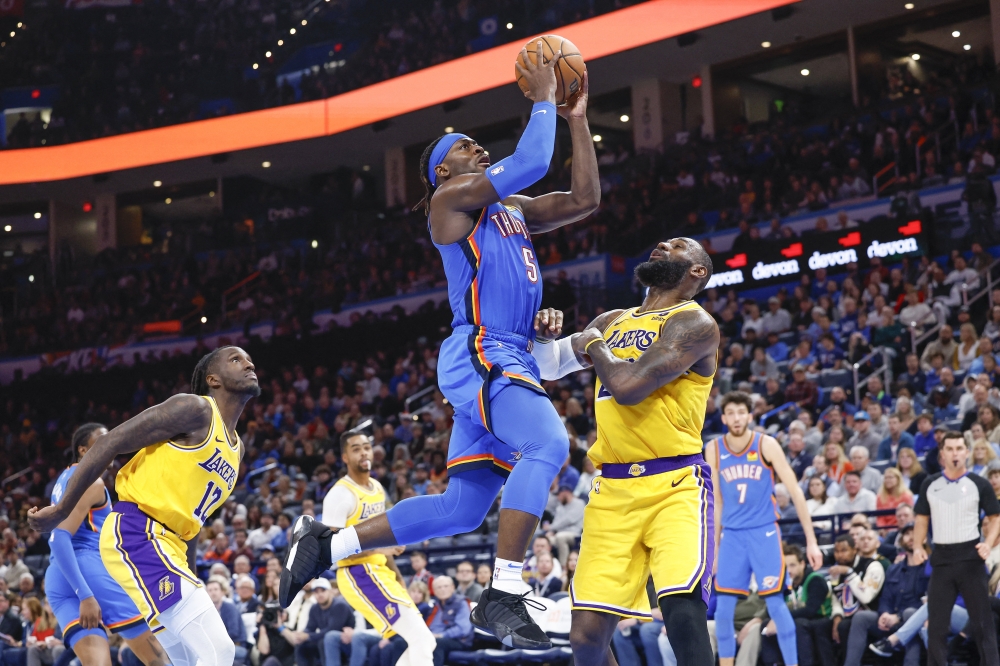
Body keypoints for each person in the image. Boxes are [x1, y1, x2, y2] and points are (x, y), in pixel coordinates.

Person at [281, 46, 600, 651]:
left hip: (510, 351)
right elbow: (533, 159)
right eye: (464, 147)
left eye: (477, 143)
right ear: (443, 174)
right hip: (481, 351)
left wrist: (577, 119)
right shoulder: (449, 205)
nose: (478, 148)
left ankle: (328, 543)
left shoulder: (511, 210)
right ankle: (504, 591)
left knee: (462, 509)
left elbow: (584, 201)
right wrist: (541, 99)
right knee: (550, 442)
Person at [529, 238, 719, 666]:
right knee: (585, 637)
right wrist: (543, 337)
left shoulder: (694, 323)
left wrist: (595, 344)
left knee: (682, 614)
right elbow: (548, 366)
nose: (662, 243)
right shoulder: (612, 319)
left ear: (697, 271)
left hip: (674, 484)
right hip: (613, 489)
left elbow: (629, 387)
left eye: (678, 245)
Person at [29, 346, 261, 666]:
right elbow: (110, 442)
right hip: (138, 532)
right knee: (219, 651)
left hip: (169, 545)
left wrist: (189, 573)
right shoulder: (194, 409)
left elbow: (193, 516)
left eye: (249, 360)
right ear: (213, 379)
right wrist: (61, 511)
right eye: (236, 359)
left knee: (185, 658)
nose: (248, 364)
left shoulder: (237, 450)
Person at [707, 392, 823, 666]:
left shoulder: (766, 444)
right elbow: (717, 502)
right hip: (732, 536)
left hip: (764, 533)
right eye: (731, 413)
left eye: (741, 412)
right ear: (724, 418)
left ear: (750, 415)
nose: (736, 418)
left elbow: (795, 491)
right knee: (722, 612)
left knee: (776, 605)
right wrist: (714, 548)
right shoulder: (713, 448)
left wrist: (812, 541)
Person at [42, 423, 166, 666]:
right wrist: (86, 594)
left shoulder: (63, 478)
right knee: (160, 661)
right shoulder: (92, 482)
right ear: (82, 450)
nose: (111, 444)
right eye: (102, 440)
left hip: (59, 575)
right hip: (89, 571)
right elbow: (59, 538)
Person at [319, 432, 435, 666]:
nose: (364, 453)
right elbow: (331, 549)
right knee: (421, 639)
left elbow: (382, 539)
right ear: (345, 457)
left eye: (367, 447)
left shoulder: (377, 489)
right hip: (358, 574)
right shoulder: (339, 495)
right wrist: (382, 550)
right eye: (356, 449)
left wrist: (398, 577)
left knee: (423, 642)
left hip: (380, 573)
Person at [912, 432, 1000, 666]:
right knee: (936, 626)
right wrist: (918, 545)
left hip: (971, 557)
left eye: (959, 448)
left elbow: (995, 516)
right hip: (941, 558)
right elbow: (921, 519)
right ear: (942, 454)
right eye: (950, 449)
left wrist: (988, 543)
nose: (955, 453)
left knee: (983, 625)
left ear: (967, 452)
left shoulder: (979, 484)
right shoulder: (930, 484)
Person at [840, 523, 927, 666]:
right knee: (862, 617)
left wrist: (898, 617)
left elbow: (928, 603)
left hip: (914, 620)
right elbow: (885, 598)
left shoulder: (930, 568)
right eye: (907, 534)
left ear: (924, 538)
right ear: (901, 540)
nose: (911, 538)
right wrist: (884, 613)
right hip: (891, 618)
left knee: (910, 614)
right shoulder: (894, 569)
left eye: (915, 533)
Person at [760, 545, 830, 666]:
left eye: (792, 565)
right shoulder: (783, 583)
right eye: (785, 567)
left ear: (802, 564)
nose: (788, 571)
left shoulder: (815, 580)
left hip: (819, 620)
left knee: (798, 624)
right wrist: (777, 618)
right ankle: (773, 663)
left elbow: (810, 610)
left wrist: (781, 618)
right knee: (766, 624)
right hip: (797, 618)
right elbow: (770, 608)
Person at [295, 578, 354, 666]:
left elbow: (332, 630)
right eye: (316, 592)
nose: (320, 594)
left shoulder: (340, 605)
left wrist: (308, 636)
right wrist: (301, 635)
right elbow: (310, 627)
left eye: (323, 591)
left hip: (346, 641)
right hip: (325, 638)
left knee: (323, 642)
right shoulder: (315, 608)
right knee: (301, 645)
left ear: (330, 591)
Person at [426, 577, 473, 666]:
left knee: (436, 642)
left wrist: (441, 635)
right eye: (439, 587)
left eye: (446, 586)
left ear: (452, 587)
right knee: (403, 642)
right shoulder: (435, 605)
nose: (442, 589)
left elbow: (463, 629)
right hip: (434, 638)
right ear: (434, 591)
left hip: (459, 641)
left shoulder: (461, 603)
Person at [205, 577, 247, 666]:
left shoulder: (230, 607)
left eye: (216, 589)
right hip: (217, 648)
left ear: (222, 592)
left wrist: (215, 644)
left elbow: (234, 632)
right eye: (210, 590)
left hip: (237, 646)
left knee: (213, 657)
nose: (213, 593)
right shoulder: (207, 612)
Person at [543, 485, 584, 566]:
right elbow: (556, 521)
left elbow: (569, 520)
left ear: (566, 493)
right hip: (559, 533)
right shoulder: (560, 506)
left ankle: (564, 566)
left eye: (559, 494)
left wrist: (550, 527)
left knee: (560, 537)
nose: (558, 498)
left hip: (574, 534)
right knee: (546, 540)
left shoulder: (579, 503)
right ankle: (547, 564)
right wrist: (551, 531)